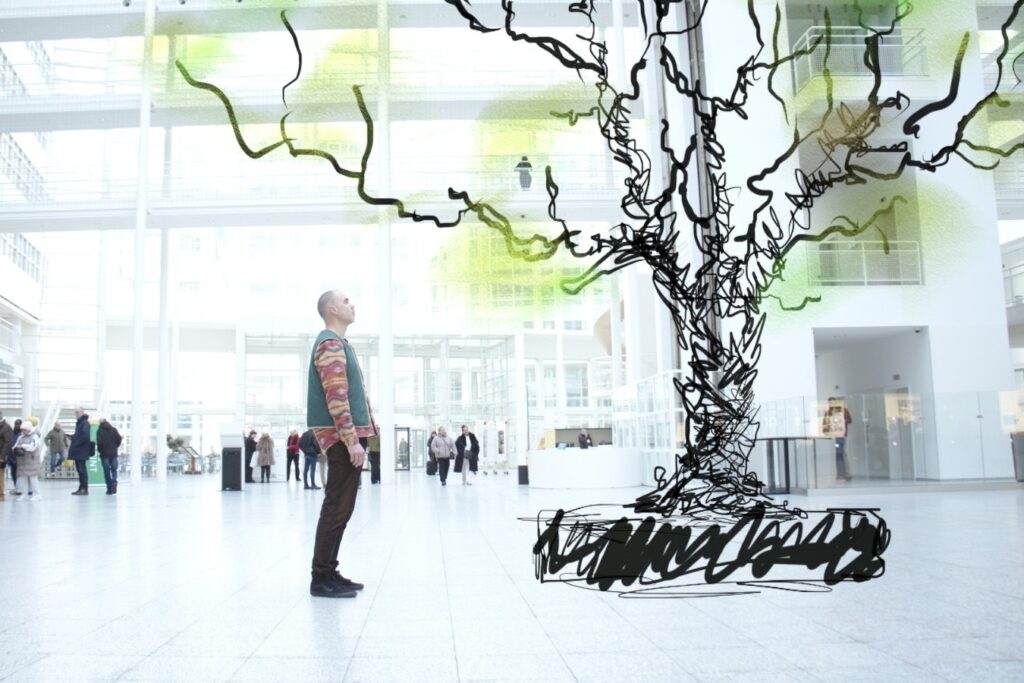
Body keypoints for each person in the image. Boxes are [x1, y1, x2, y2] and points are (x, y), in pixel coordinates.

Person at [307, 289, 376, 598]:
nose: (352, 304)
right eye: (346, 301)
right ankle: (321, 577)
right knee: (336, 507)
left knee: (341, 508)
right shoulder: (330, 344)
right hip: (341, 439)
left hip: (344, 438)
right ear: (332, 310)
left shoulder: (339, 344)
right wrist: (351, 440)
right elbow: (336, 396)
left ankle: (329, 571)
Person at [822, 397, 853, 482]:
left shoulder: (843, 410)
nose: (831, 404)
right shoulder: (829, 412)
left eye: (832, 402)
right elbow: (825, 423)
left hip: (840, 435)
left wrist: (841, 422)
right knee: (839, 454)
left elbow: (849, 420)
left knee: (840, 454)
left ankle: (843, 474)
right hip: (832, 436)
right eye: (829, 403)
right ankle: (842, 473)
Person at [12, 420, 41, 500]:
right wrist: (15, 448)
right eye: (22, 430)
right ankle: (23, 493)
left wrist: (23, 446)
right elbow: (15, 445)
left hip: (32, 462)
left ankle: (36, 494)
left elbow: (33, 447)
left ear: (29, 429)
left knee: (33, 479)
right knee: (22, 479)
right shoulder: (20, 437)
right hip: (22, 462)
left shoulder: (35, 437)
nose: (23, 431)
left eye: (24, 430)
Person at [68, 406, 93, 495]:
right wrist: (73, 437)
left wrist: (76, 441)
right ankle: (81, 488)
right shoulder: (80, 423)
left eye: (78, 412)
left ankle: (84, 489)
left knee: (82, 470)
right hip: (79, 450)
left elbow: (85, 436)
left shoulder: (84, 423)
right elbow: (80, 435)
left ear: (82, 412)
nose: (76, 414)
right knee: (80, 470)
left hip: (81, 450)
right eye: (75, 412)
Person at [96, 417, 123, 495]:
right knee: (114, 470)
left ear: (100, 423)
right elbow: (119, 439)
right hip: (113, 453)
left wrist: (100, 450)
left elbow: (99, 443)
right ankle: (114, 481)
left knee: (106, 471)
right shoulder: (114, 430)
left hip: (104, 454)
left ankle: (109, 488)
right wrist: (115, 446)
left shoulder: (99, 431)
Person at [8, 418, 21, 491]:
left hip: (19, 458)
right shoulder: (11, 433)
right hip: (11, 458)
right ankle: (17, 488)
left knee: (20, 475)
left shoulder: (22, 434)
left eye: (18, 424)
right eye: (16, 424)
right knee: (13, 474)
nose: (17, 425)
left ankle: (20, 488)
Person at [0, 412, 11, 501]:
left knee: (0, 476)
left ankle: (1, 495)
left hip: (1, 456)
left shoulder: (6, 427)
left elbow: (8, 443)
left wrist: (2, 457)